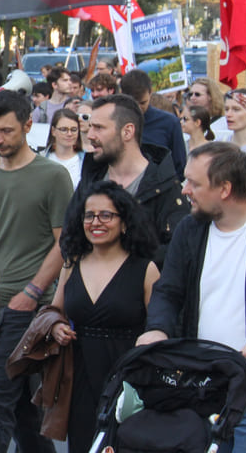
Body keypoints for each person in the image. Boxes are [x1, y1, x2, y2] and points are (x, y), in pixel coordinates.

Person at [138, 142, 246, 453]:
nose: (185, 189)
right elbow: (169, 290)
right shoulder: (189, 230)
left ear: (225, 189)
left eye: (194, 182)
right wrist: (158, 328)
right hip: (198, 391)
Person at [0, 90, 73, 453]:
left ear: (28, 126)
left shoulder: (53, 176)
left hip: (26, 307)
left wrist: (34, 292)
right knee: (21, 407)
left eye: (6, 131)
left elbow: (64, 243)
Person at [49, 181, 159, 452]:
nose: (96, 222)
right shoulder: (71, 263)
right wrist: (56, 327)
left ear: (124, 222)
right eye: (89, 215)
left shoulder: (146, 270)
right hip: (79, 376)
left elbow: (160, 325)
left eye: (106, 215)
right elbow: (54, 312)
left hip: (129, 380)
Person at [74, 95, 190, 268]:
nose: (90, 135)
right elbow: (70, 238)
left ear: (127, 131)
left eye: (98, 127)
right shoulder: (92, 177)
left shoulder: (165, 187)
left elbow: (176, 252)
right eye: (90, 126)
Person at [119, 69, 187, 177]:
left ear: (150, 93)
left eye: (142, 103)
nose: (138, 108)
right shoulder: (112, 120)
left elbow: (179, 166)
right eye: (132, 103)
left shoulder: (169, 123)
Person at [42, 108, 84, 189]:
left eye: (74, 130)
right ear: (53, 131)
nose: (69, 134)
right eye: (64, 129)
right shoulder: (42, 159)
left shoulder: (86, 160)